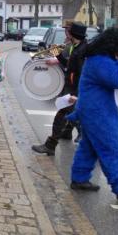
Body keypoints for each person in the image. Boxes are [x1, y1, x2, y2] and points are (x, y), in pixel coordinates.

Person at [65, 29, 118, 201]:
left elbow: (109, 85)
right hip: (99, 114)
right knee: (111, 149)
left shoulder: (100, 60)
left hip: (92, 111)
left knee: (89, 147)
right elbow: (117, 80)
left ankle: (79, 179)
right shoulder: (101, 62)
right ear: (115, 48)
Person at [32, 22, 88, 156]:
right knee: (70, 114)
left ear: (73, 34)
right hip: (71, 86)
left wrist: (76, 93)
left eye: (69, 31)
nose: (67, 33)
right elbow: (67, 63)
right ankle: (71, 136)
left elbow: (82, 73)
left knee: (62, 115)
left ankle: (50, 146)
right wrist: (55, 54)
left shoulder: (81, 50)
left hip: (74, 88)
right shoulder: (77, 46)